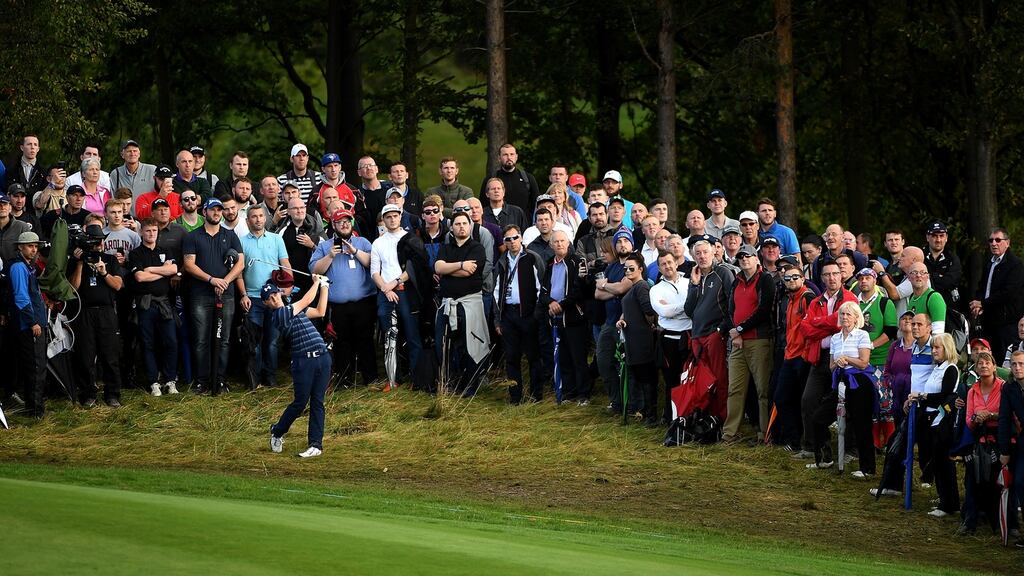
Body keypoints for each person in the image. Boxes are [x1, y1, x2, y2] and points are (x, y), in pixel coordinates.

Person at [182, 198, 245, 395]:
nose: (217, 213)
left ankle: (220, 380)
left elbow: (240, 263)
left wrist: (224, 281)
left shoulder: (231, 235)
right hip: (201, 295)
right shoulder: (193, 236)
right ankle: (202, 381)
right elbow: (189, 265)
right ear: (204, 212)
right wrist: (212, 280)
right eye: (213, 210)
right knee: (201, 339)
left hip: (225, 295)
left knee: (224, 339)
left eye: (220, 210)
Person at [310, 208, 378, 386]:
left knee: (365, 340)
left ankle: (370, 378)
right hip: (338, 305)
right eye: (340, 222)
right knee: (341, 342)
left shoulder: (362, 242)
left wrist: (355, 251)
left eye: (347, 221)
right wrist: (330, 256)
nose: (344, 224)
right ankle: (344, 379)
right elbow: (315, 270)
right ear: (333, 225)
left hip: (363, 302)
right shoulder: (324, 246)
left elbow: (373, 263)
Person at [267, 273, 332, 459]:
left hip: (322, 357)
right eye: (269, 298)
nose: (274, 298)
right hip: (303, 361)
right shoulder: (279, 315)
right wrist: (317, 282)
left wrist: (325, 287)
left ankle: (315, 445)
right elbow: (306, 299)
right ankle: (277, 432)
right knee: (300, 403)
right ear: (267, 304)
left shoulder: (292, 309)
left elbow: (320, 311)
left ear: (279, 294)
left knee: (318, 402)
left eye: (275, 294)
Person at [798, 261, 857, 465]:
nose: (831, 278)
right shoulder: (816, 301)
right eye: (827, 274)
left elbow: (841, 324)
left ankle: (850, 449)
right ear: (821, 278)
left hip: (842, 359)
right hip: (819, 357)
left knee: (846, 403)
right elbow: (805, 328)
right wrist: (828, 324)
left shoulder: (849, 298)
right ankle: (814, 447)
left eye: (835, 273)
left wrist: (819, 323)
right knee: (808, 400)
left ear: (841, 276)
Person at [721, 244, 776, 444]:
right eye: (741, 257)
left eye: (748, 256)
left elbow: (763, 310)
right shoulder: (736, 282)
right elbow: (729, 310)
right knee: (734, 389)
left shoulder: (765, 280)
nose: (744, 259)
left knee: (762, 390)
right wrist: (735, 333)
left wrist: (740, 329)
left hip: (759, 340)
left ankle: (764, 434)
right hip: (737, 342)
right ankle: (730, 433)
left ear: (756, 258)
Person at [69, 224, 125, 408]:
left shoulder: (110, 259)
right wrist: (79, 263)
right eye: (94, 241)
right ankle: (88, 393)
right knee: (85, 354)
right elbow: (73, 288)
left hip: (106, 311)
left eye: (101, 240)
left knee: (110, 354)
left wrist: (104, 272)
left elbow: (118, 285)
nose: (98, 244)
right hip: (84, 311)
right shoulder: (78, 260)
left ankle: (112, 393)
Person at [817, 302, 876, 477]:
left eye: (849, 314)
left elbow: (864, 362)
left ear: (856, 318)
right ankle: (824, 458)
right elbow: (831, 367)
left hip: (859, 381)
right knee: (819, 418)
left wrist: (847, 359)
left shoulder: (862, 335)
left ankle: (868, 468)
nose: (845, 318)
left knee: (861, 424)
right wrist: (838, 362)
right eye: (842, 314)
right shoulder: (835, 338)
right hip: (840, 380)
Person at [434, 211, 489, 394]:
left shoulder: (477, 248)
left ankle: (470, 386)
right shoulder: (445, 247)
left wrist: (450, 269)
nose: (461, 227)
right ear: (451, 228)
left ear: (470, 226)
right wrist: (461, 265)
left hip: (469, 304)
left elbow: (469, 272)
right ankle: (450, 383)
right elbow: (438, 267)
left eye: (464, 223)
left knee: (470, 345)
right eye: (457, 224)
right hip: (448, 303)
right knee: (446, 345)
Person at [907, 332, 961, 517]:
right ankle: (944, 499)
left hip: (942, 422)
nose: (934, 351)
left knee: (944, 463)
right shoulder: (937, 368)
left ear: (947, 349)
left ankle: (949, 504)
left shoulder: (951, 369)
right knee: (937, 462)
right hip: (931, 420)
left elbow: (945, 396)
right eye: (934, 347)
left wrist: (923, 396)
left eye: (938, 347)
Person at [237, 205, 290, 389]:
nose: (258, 219)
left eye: (261, 216)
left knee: (273, 342)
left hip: (274, 298)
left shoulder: (276, 239)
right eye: (254, 216)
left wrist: (287, 288)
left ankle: (271, 378)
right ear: (247, 220)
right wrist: (243, 295)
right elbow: (239, 273)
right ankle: (255, 380)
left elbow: (285, 264)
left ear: (265, 218)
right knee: (255, 343)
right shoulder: (241, 242)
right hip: (253, 298)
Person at [682, 239, 735, 421]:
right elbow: (689, 310)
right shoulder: (695, 275)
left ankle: (723, 419)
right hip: (697, 334)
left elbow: (732, 305)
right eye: (698, 253)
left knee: (720, 378)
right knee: (703, 378)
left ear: (713, 252)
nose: (702, 256)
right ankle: (707, 418)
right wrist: (694, 285)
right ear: (693, 256)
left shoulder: (723, 273)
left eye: (705, 252)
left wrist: (721, 329)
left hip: (715, 333)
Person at [372, 204, 424, 389]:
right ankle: (393, 378)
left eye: (395, 215)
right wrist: (386, 289)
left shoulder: (410, 239)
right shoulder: (378, 242)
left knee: (412, 336)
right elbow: (374, 272)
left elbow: (413, 268)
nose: (392, 219)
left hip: (406, 292)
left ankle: (417, 378)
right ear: (383, 220)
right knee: (389, 338)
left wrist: (394, 283)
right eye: (388, 216)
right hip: (386, 294)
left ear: (400, 216)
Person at [494, 224, 545, 403]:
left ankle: (536, 395)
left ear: (521, 238)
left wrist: (537, 315)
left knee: (533, 356)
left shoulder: (532, 258)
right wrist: (498, 320)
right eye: (508, 239)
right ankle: (515, 396)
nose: (513, 241)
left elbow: (542, 288)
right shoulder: (501, 261)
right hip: (508, 314)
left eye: (515, 237)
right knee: (511, 357)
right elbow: (496, 292)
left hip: (529, 314)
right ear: (504, 242)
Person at [539, 229, 590, 405]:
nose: (560, 244)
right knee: (564, 357)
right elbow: (543, 291)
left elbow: (578, 290)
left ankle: (584, 395)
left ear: (568, 242)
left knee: (578, 358)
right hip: (556, 318)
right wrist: (551, 302)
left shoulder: (577, 262)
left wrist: (561, 305)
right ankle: (569, 393)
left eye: (562, 241)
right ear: (551, 245)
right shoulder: (549, 264)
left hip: (575, 317)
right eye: (556, 242)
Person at [129, 219, 179, 396]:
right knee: (148, 343)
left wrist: (151, 269)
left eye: (154, 230)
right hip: (145, 304)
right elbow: (140, 277)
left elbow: (173, 269)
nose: (151, 234)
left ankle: (170, 380)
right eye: (148, 230)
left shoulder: (165, 250)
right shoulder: (135, 254)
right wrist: (161, 271)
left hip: (164, 303)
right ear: (141, 232)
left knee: (171, 342)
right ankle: (153, 382)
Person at [958, 351, 1005, 535]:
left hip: (999, 441)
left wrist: (991, 415)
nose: (984, 365)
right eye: (980, 363)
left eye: (987, 362)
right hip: (978, 440)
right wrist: (977, 418)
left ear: (994, 367)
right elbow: (968, 420)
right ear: (976, 369)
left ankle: (998, 524)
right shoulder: (972, 391)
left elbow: (1007, 415)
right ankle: (969, 522)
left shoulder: (1003, 388)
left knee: (995, 483)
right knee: (972, 480)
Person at [7, 231, 48, 418]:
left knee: (37, 366)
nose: (34, 249)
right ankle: (35, 410)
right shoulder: (18, 267)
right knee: (35, 367)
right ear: (20, 247)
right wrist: (33, 322)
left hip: (35, 322)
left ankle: (36, 406)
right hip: (29, 325)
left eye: (36, 246)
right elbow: (21, 298)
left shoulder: (28, 266)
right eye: (30, 246)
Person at [774, 266, 815, 452]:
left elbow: (814, 326)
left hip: (803, 356)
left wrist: (807, 351)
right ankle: (794, 439)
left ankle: (807, 442)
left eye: (795, 277)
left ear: (803, 278)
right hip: (789, 354)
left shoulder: (808, 297)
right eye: (787, 278)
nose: (791, 281)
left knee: (803, 400)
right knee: (782, 397)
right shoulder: (790, 299)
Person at [969, 227, 1024, 365]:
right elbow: (982, 286)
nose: (994, 243)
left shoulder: (1015, 264)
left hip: (1006, 322)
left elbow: (1008, 292)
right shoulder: (990, 262)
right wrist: (978, 303)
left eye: (998, 240)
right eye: (991, 240)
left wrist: (983, 303)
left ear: (1007, 242)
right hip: (989, 320)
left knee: (1004, 360)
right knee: (988, 359)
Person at [650, 250, 691, 423]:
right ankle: (671, 417)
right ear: (659, 267)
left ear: (676, 263)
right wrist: (686, 306)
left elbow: (694, 306)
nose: (667, 266)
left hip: (689, 337)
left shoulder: (690, 283)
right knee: (671, 380)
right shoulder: (655, 289)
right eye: (663, 264)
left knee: (689, 378)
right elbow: (663, 311)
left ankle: (688, 415)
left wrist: (674, 309)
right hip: (668, 340)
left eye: (669, 262)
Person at [616, 253, 656, 423]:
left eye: (632, 268)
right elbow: (634, 309)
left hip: (642, 341)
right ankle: (645, 412)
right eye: (625, 268)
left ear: (640, 269)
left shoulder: (641, 286)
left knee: (646, 378)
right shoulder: (634, 288)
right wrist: (623, 319)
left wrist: (651, 326)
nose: (628, 271)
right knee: (640, 377)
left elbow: (649, 310)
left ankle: (651, 415)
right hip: (633, 340)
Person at [999, 350, 1024, 547]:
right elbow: (1004, 419)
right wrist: (1004, 451)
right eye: (1014, 364)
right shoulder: (1009, 388)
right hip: (1022, 443)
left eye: (1021, 364)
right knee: (1020, 483)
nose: (1017, 368)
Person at [277, 198, 322, 293]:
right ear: (288, 212)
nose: (299, 211)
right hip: (290, 282)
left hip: (313, 282)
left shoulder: (316, 229)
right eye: (295, 208)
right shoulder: (282, 231)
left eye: (302, 207)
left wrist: (312, 245)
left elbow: (326, 254)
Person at [480, 144, 539, 215]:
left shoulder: (528, 178)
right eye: (505, 155)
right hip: (498, 223)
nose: (509, 157)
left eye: (512, 154)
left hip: (524, 223)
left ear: (516, 157)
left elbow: (536, 204)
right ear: (499, 158)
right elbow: (482, 204)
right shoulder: (490, 180)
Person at [922, 220, 962, 311]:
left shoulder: (952, 258)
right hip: (924, 307)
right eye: (934, 236)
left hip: (948, 308)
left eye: (941, 236)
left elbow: (950, 282)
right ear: (928, 237)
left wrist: (930, 277)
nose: (938, 240)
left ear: (946, 238)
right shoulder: (920, 256)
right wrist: (939, 277)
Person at [111, 140, 156, 209]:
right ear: (122, 155)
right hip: (125, 218)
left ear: (139, 154)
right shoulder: (116, 174)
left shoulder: (152, 170)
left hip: (148, 217)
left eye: (135, 151)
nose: (132, 153)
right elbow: (113, 199)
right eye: (129, 151)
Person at [906, 262, 946, 334]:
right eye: (914, 272)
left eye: (922, 273)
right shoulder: (912, 297)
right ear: (908, 277)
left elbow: (938, 332)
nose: (918, 275)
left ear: (928, 277)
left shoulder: (934, 297)